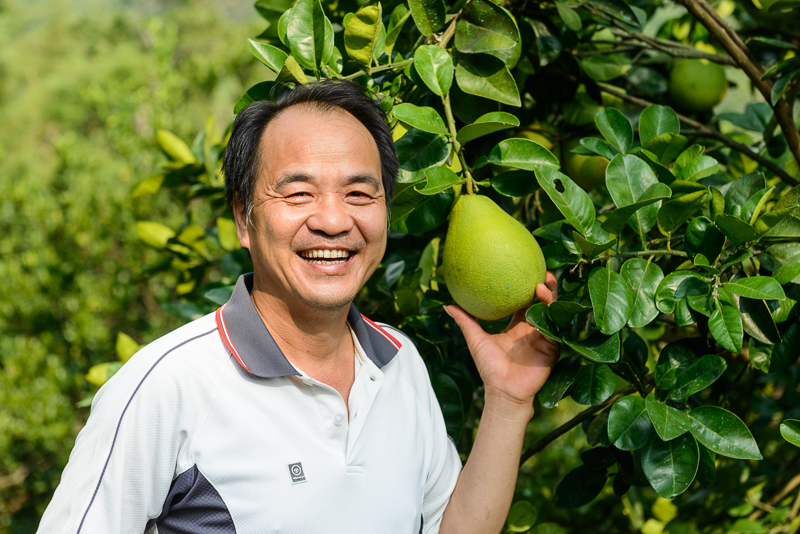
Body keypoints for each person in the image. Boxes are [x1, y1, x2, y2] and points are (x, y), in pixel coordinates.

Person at [36, 79, 560, 534]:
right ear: (243, 219)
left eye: (359, 194)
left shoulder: (399, 362)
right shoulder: (169, 385)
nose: (333, 221)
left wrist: (507, 401)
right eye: (299, 194)